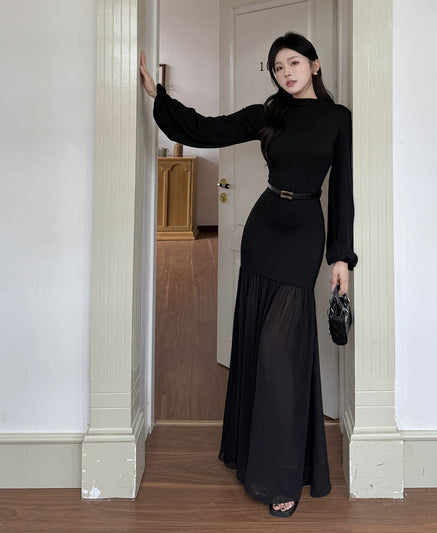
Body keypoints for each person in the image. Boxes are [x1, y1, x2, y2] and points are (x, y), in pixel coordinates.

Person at [140, 32, 357, 518]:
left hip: (304, 234)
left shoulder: (338, 119)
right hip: (264, 230)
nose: (286, 72)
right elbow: (207, 129)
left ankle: (282, 474)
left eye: (294, 62)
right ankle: (249, 455)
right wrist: (159, 96)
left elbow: (342, 190)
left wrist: (341, 257)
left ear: (315, 65)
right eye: (278, 67)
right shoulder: (268, 113)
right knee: (256, 346)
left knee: (281, 355)